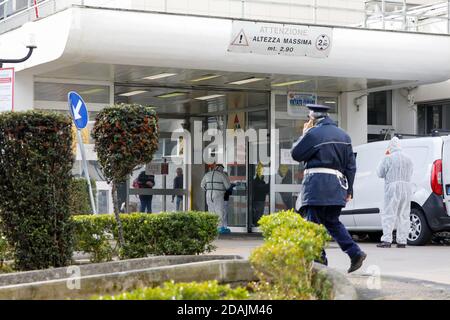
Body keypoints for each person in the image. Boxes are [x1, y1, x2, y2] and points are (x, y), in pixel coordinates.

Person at [291, 104, 367, 273]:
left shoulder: (313, 134)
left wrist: (304, 134)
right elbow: (351, 167)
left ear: (313, 119)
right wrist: (350, 190)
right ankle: (355, 253)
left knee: (313, 224)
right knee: (332, 222)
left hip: (317, 185)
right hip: (336, 186)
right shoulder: (344, 136)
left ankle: (320, 262)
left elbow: (296, 154)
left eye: (309, 118)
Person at [376, 137, 414, 248]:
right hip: (406, 188)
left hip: (392, 188)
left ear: (390, 147)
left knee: (389, 213)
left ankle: (387, 240)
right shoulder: (409, 159)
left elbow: (380, 173)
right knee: (404, 214)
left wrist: (385, 156)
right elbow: (411, 173)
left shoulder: (388, 158)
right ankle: (402, 241)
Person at [201, 164, 232, 234]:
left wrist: (208, 189)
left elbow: (202, 185)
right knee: (219, 210)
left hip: (208, 194)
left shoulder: (207, 174)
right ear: (221, 169)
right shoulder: (222, 175)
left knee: (211, 210)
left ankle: (212, 227)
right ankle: (219, 228)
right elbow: (228, 186)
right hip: (219, 194)